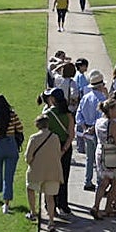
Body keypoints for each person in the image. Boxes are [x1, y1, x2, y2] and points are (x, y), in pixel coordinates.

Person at [24, 115, 66, 232]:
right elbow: (58, 153)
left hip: (37, 172)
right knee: (50, 198)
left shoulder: (33, 138)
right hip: (53, 171)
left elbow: (28, 158)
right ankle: (51, 221)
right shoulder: (55, 137)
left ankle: (33, 212)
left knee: (30, 189)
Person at [39, 87, 75, 219]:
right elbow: (71, 135)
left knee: (51, 178)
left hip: (51, 147)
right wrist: (64, 149)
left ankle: (50, 205)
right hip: (66, 147)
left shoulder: (48, 115)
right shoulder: (69, 114)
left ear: (53, 99)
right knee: (64, 177)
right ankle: (63, 205)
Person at [91, 99, 116, 219]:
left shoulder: (98, 121)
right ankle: (108, 208)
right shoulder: (113, 124)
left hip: (101, 151)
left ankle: (96, 206)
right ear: (110, 110)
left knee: (104, 181)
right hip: (112, 154)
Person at [0, 94, 23, 215]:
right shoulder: (12, 114)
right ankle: (6, 204)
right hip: (11, 144)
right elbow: (20, 127)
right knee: (9, 177)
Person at [75, 69, 107, 192]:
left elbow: (79, 115)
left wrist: (84, 127)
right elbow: (101, 117)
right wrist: (93, 129)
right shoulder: (102, 99)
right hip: (97, 132)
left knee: (89, 158)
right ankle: (99, 182)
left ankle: (87, 181)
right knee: (100, 159)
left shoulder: (85, 98)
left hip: (87, 130)